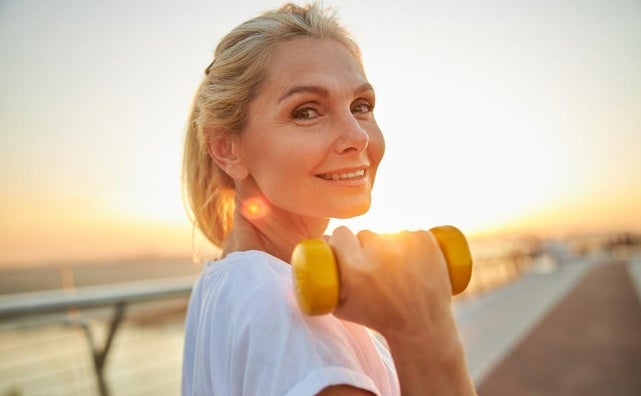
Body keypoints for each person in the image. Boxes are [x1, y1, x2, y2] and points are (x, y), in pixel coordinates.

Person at [181, 3, 475, 395]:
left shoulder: (223, 282)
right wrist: (423, 327)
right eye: (306, 111)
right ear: (227, 150)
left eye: (361, 106)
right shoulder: (286, 307)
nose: (358, 136)